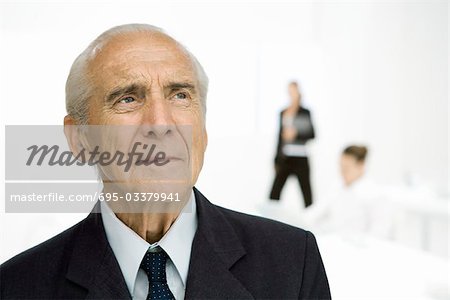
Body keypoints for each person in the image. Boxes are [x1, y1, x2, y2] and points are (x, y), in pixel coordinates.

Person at [0, 24, 330, 299]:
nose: (161, 123)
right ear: (79, 139)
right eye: (128, 99)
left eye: (180, 95)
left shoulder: (293, 262)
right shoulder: (17, 286)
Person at [305, 145, 391, 238]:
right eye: (341, 167)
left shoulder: (374, 194)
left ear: (361, 165)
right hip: (335, 242)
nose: (342, 172)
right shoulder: (337, 188)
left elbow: (380, 233)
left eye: (346, 168)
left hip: (359, 248)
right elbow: (315, 213)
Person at [270, 81, 315, 208]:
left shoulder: (305, 112)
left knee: (307, 195)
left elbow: (312, 134)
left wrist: (296, 134)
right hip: (286, 158)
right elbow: (279, 138)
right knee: (274, 194)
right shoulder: (283, 112)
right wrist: (276, 159)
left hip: (301, 158)